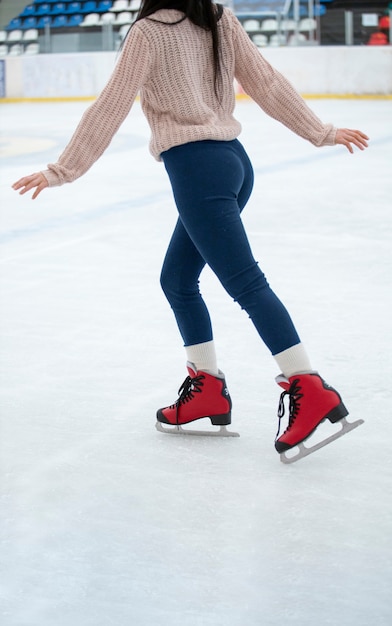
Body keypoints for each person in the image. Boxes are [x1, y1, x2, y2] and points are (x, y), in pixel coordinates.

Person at [12, 0, 369, 460]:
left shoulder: (149, 31)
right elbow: (267, 82)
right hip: (233, 163)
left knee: (246, 284)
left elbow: (111, 105)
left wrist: (62, 169)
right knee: (177, 281)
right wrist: (319, 130)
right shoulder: (219, 17)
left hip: (198, 169)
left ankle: (310, 387)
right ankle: (207, 389)